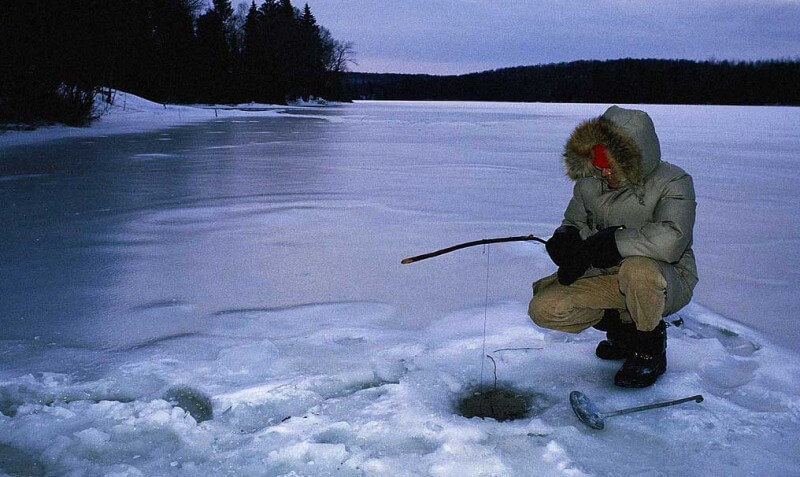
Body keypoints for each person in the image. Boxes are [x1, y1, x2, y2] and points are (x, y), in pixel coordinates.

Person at [528, 105, 698, 388]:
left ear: (632, 158)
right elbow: (574, 220)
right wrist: (566, 237)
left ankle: (648, 348)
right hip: (607, 275)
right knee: (544, 308)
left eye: (610, 165)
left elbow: (671, 240)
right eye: (599, 164)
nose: (603, 172)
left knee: (638, 270)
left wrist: (612, 242)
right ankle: (622, 329)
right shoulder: (589, 183)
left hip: (666, 279)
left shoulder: (674, 182)